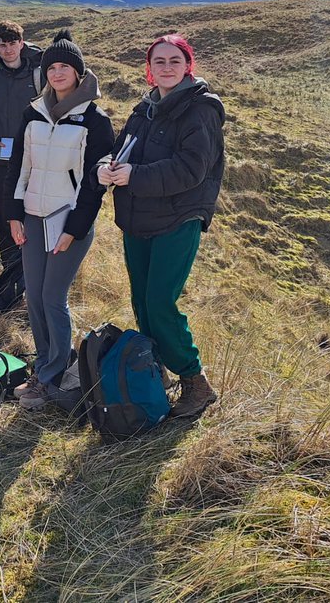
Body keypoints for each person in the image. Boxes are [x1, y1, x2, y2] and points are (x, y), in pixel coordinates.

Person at [97, 34, 225, 419]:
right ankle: (157, 372)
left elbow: (192, 169)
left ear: (189, 65)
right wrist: (107, 166)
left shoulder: (201, 110)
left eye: (174, 60)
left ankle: (195, 382)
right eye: (159, 61)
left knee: (160, 303)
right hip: (139, 218)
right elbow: (123, 150)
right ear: (149, 69)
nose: (166, 67)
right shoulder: (145, 108)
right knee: (142, 302)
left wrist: (133, 175)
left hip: (177, 218)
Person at [4, 30, 114, 409]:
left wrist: (74, 228)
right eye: (51, 67)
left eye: (65, 66)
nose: (57, 73)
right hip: (32, 217)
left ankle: (50, 375)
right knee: (34, 296)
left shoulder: (95, 121)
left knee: (53, 296)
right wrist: (14, 216)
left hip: (67, 221)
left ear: (79, 73)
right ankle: (48, 365)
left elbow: (93, 185)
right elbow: (19, 167)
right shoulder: (32, 113)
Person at [0, 21, 43, 312]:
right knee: (5, 220)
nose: (7, 49)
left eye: (11, 43)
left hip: (35, 162)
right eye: (1, 44)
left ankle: (36, 281)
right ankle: (11, 282)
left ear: (22, 43)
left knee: (33, 219)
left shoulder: (40, 75)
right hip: (1, 162)